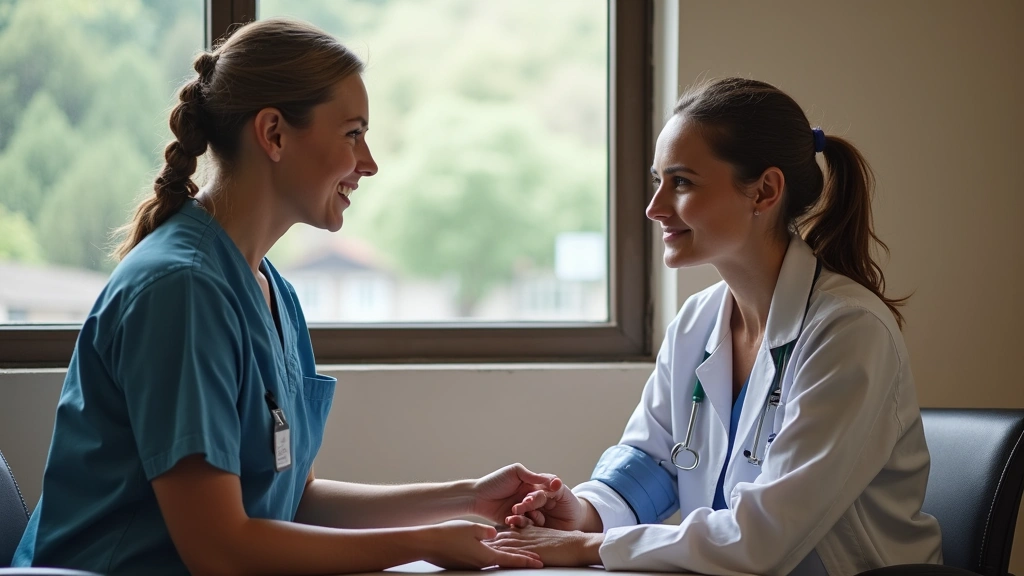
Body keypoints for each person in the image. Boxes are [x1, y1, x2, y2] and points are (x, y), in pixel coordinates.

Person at [13, 18, 555, 576]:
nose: (368, 162)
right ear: (273, 133)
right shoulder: (182, 291)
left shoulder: (271, 291)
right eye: (352, 134)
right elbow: (220, 549)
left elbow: (296, 500)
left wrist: (467, 498)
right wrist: (423, 543)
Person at [488, 77, 943, 576]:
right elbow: (652, 460)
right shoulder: (698, 322)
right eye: (657, 180)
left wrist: (587, 546)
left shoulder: (850, 332)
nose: (655, 207)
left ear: (765, 191)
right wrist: (584, 513)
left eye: (681, 182)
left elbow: (765, 537)